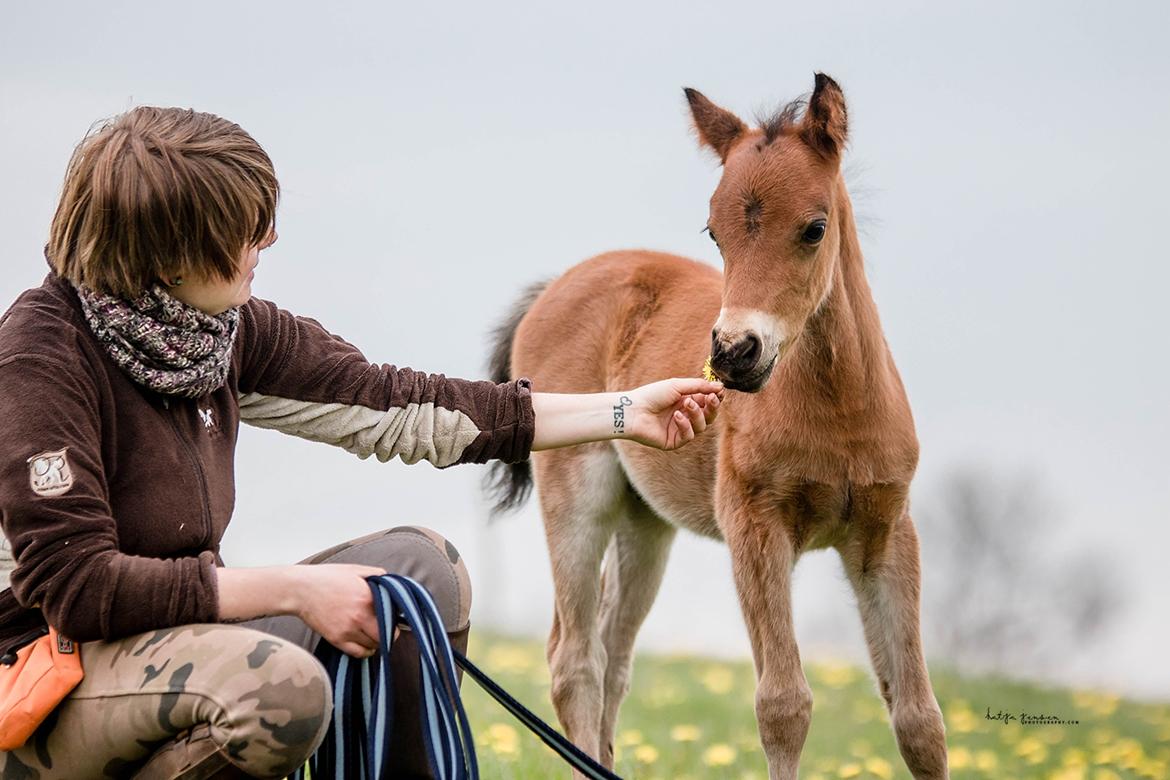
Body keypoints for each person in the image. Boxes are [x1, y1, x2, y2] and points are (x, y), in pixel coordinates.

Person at [0, 106, 724, 779]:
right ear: (168, 252)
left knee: (419, 571)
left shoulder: (216, 330)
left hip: (172, 635)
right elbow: (80, 589)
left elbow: (400, 406)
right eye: (245, 229)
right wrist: (294, 588)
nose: (269, 241)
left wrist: (627, 411)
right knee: (280, 691)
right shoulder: (41, 358)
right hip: (47, 674)